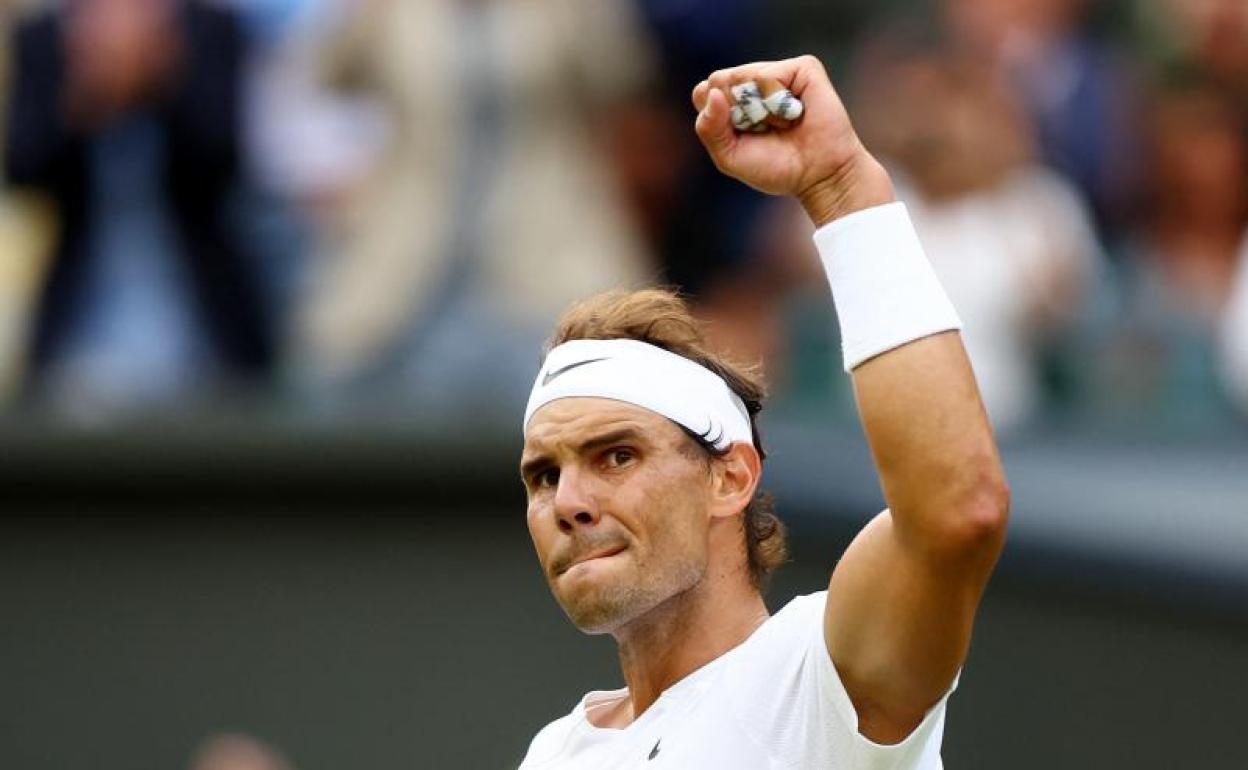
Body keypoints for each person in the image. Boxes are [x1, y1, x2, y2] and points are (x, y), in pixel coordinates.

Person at [516, 55, 1010, 768]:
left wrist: (842, 188)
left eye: (616, 455)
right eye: (541, 476)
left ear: (731, 476)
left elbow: (959, 510)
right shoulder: (556, 753)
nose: (568, 502)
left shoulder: (817, 674)